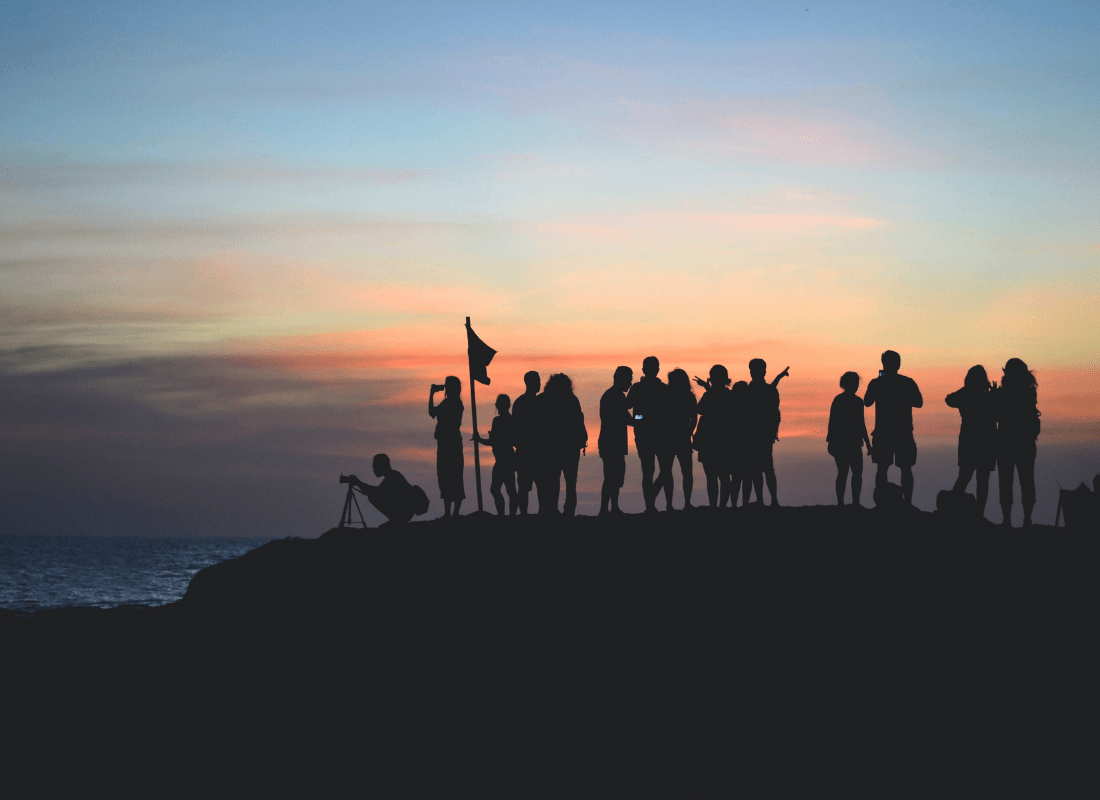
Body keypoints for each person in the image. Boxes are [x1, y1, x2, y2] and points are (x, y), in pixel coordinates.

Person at [864, 350, 923, 505]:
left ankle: (882, 502)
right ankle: (908, 502)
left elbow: (867, 401)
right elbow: (919, 402)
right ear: (898, 364)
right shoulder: (907, 382)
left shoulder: (877, 383)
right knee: (906, 468)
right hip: (903, 431)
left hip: (883, 432)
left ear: (883, 364)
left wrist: (879, 383)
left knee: (882, 468)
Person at [993, 358, 1040, 527]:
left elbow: (996, 416)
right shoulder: (1029, 392)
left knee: (1005, 482)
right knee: (1027, 481)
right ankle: (1027, 520)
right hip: (1025, 443)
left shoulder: (1003, 393)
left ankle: (1007, 520)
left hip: (1006, 442)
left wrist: (994, 396)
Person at [945, 365, 997, 517]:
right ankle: (979, 514)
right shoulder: (988, 397)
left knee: (965, 476)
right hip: (986, 441)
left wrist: (967, 390)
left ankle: (953, 510)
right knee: (982, 480)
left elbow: (949, 399)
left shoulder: (966, 395)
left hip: (969, 441)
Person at [626, 356, 673, 513]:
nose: (653, 371)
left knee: (662, 471)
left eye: (654, 368)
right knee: (651, 471)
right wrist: (639, 419)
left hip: (659, 435)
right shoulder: (638, 388)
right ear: (645, 370)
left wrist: (639, 419)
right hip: (647, 435)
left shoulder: (663, 389)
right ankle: (652, 506)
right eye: (651, 368)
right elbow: (627, 406)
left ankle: (661, 503)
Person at [537, 373, 588, 516]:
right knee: (571, 482)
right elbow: (579, 421)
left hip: (551, 448)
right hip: (569, 447)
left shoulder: (542, 400)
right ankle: (568, 510)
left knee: (553, 480)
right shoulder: (571, 399)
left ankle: (553, 509)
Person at [746, 360, 788, 506]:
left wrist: (771, 433)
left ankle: (768, 500)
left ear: (763, 372)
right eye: (751, 370)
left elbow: (774, 413)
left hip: (759, 436)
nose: (752, 373)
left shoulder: (752, 390)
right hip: (758, 436)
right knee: (761, 469)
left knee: (763, 469)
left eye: (754, 370)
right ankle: (766, 500)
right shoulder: (763, 390)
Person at [827, 372, 873, 507]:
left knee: (846, 473)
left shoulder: (840, 400)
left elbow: (834, 423)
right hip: (849, 443)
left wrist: (830, 441)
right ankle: (852, 503)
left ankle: (846, 503)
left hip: (844, 443)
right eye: (855, 383)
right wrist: (868, 444)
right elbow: (860, 424)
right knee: (853, 474)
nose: (857, 386)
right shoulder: (855, 402)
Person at [693, 365, 733, 508]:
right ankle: (721, 506)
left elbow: (699, 409)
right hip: (725, 440)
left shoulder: (710, 395)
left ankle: (714, 506)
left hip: (709, 440)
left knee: (712, 477)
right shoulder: (730, 396)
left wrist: (707, 389)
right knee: (724, 476)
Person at [473, 394, 518, 516]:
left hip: (506, 459)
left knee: (507, 490)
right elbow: (493, 441)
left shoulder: (505, 420)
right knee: (499, 490)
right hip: (502, 459)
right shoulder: (500, 420)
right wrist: (480, 439)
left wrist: (481, 439)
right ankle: (504, 515)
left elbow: (497, 441)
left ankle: (506, 516)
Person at [598, 366, 634, 515]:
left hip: (610, 442)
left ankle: (611, 508)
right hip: (612, 443)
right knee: (612, 476)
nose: (630, 383)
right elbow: (628, 416)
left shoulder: (611, 395)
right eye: (629, 379)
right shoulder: (616, 396)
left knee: (614, 476)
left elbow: (627, 415)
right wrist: (643, 418)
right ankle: (607, 509)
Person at [429, 376, 465, 517]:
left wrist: (431, 394)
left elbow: (432, 413)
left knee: (453, 477)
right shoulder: (449, 403)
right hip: (446, 444)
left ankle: (453, 513)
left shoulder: (454, 403)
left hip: (451, 444)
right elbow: (433, 413)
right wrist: (432, 394)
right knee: (445, 477)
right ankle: (449, 513)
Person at [344, 454, 416, 524]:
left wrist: (358, 483)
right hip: (405, 510)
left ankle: (397, 520)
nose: (373, 469)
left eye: (375, 466)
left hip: (404, 511)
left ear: (382, 465)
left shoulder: (393, 477)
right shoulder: (393, 475)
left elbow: (377, 493)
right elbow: (378, 491)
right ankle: (395, 519)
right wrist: (358, 483)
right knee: (372, 496)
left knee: (373, 497)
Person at [666, 369, 698, 510]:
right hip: (683, 436)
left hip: (668, 436)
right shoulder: (689, 397)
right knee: (686, 472)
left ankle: (669, 504)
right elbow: (694, 418)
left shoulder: (666, 395)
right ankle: (686, 503)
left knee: (667, 472)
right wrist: (689, 431)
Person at [512, 371, 541, 514]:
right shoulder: (527, 403)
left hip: (532, 450)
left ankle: (530, 513)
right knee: (525, 486)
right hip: (528, 451)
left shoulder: (520, 402)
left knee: (538, 485)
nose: (540, 384)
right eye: (537, 381)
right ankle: (524, 513)